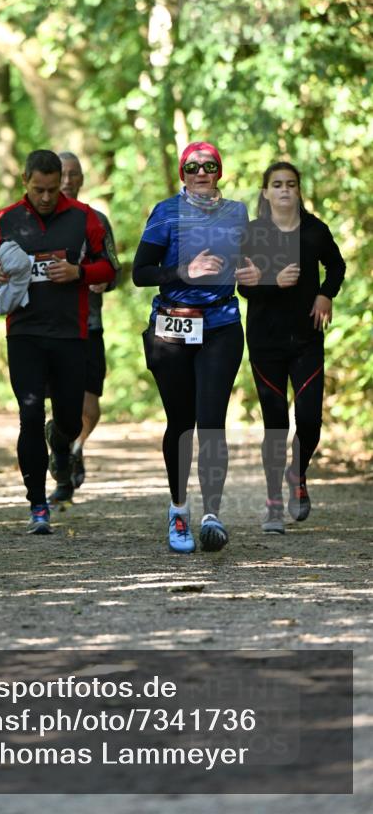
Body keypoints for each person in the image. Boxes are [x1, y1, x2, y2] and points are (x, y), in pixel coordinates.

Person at [0, 149, 118, 534]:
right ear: (26, 181)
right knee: (30, 415)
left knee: (70, 418)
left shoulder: (83, 217)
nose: (45, 197)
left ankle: (62, 441)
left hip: (72, 333)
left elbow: (109, 267)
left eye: (52, 190)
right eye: (38, 189)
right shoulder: (6, 220)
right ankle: (37, 504)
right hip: (25, 333)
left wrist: (78, 271)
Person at [132, 141, 260, 553]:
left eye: (209, 166)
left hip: (221, 325)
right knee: (181, 424)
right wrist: (182, 270)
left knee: (211, 421)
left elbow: (246, 265)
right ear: (183, 173)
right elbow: (140, 273)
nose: (201, 172)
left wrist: (253, 274)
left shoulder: (237, 212)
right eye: (192, 166)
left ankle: (212, 517)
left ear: (219, 172)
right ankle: (179, 509)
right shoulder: (166, 212)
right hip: (173, 324)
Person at [238, 162, 346, 534]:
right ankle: (272, 505)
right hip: (265, 342)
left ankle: (297, 472)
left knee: (311, 420)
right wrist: (274, 282)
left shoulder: (315, 231)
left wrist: (325, 294)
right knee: (275, 424)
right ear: (265, 192)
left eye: (291, 184)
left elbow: (337, 266)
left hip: (306, 339)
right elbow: (245, 287)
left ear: (299, 190)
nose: (284, 190)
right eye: (277, 185)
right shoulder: (252, 233)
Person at [58, 151, 120, 491]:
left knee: (90, 408)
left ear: (83, 179)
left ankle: (76, 449)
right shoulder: (38, 222)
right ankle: (59, 459)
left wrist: (105, 280)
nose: (68, 180)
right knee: (57, 407)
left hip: (89, 324)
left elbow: (114, 267)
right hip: (51, 327)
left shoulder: (96, 219)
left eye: (74, 174)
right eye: (62, 173)